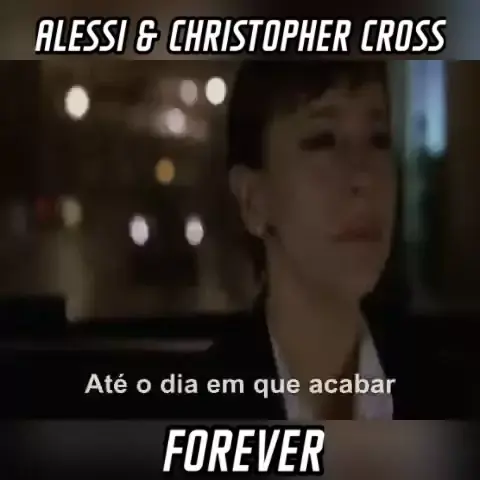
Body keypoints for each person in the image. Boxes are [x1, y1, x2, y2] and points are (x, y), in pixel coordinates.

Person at [203, 59, 468, 420]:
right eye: (323, 140)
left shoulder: (445, 397)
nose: (364, 177)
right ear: (253, 199)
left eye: (379, 139)